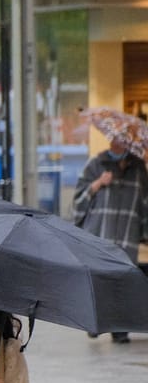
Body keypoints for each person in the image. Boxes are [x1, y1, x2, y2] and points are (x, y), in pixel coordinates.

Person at [71, 133, 145, 344]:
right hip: (100, 234)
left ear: (128, 143)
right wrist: (97, 184)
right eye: (113, 139)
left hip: (126, 237)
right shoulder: (96, 164)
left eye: (121, 140)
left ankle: (120, 330)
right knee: (100, 282)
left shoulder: (138, 169)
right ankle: (95, 323)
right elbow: (78, 200)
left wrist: (145, 234)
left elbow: (145, 203)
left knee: (123, 283)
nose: (115, 143)